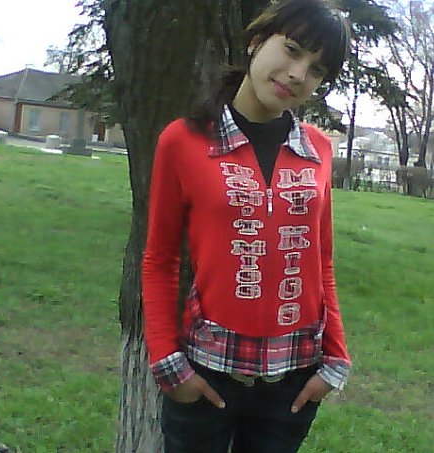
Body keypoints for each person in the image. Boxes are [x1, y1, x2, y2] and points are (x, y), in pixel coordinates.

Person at [141, 1, 352, 451]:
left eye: (316, 69)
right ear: (257, 41)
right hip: (207, 376)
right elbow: (160, 259)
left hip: (293, 385)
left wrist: (336, 358)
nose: (297, 74)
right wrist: (167, 362)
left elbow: (322, 262)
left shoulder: (317, 149)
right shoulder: (184, 140)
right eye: (292, 50)